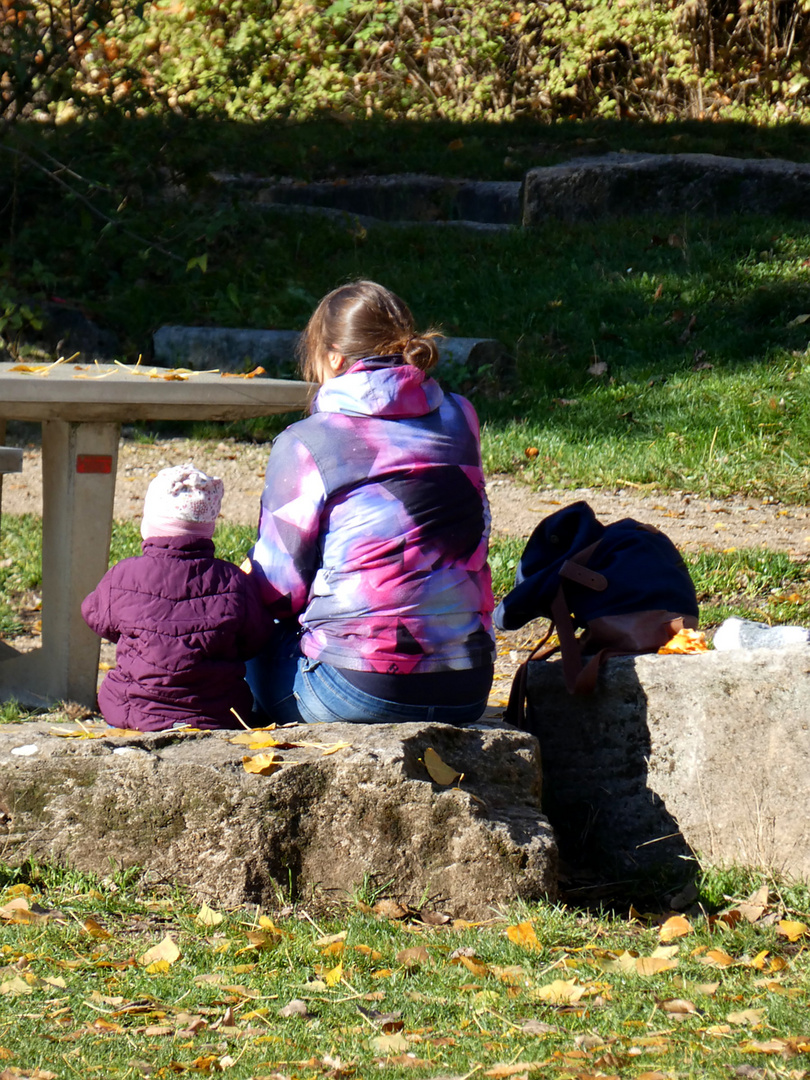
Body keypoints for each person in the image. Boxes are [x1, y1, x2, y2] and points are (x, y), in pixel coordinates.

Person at [245, 279, 495, 725]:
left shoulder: (309, 441)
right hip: (468, 684)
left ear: (334, 358)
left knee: (238, 651)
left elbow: (278, 595)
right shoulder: (461, 414)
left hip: (359, 688)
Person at [81, 463, 270, 731]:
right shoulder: (233, 581)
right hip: (217, 712)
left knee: (116, 687)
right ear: (209, 528)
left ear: (149, 524)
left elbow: (94, 616)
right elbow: (256, 639)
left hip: (134, 708)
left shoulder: (123, 575)